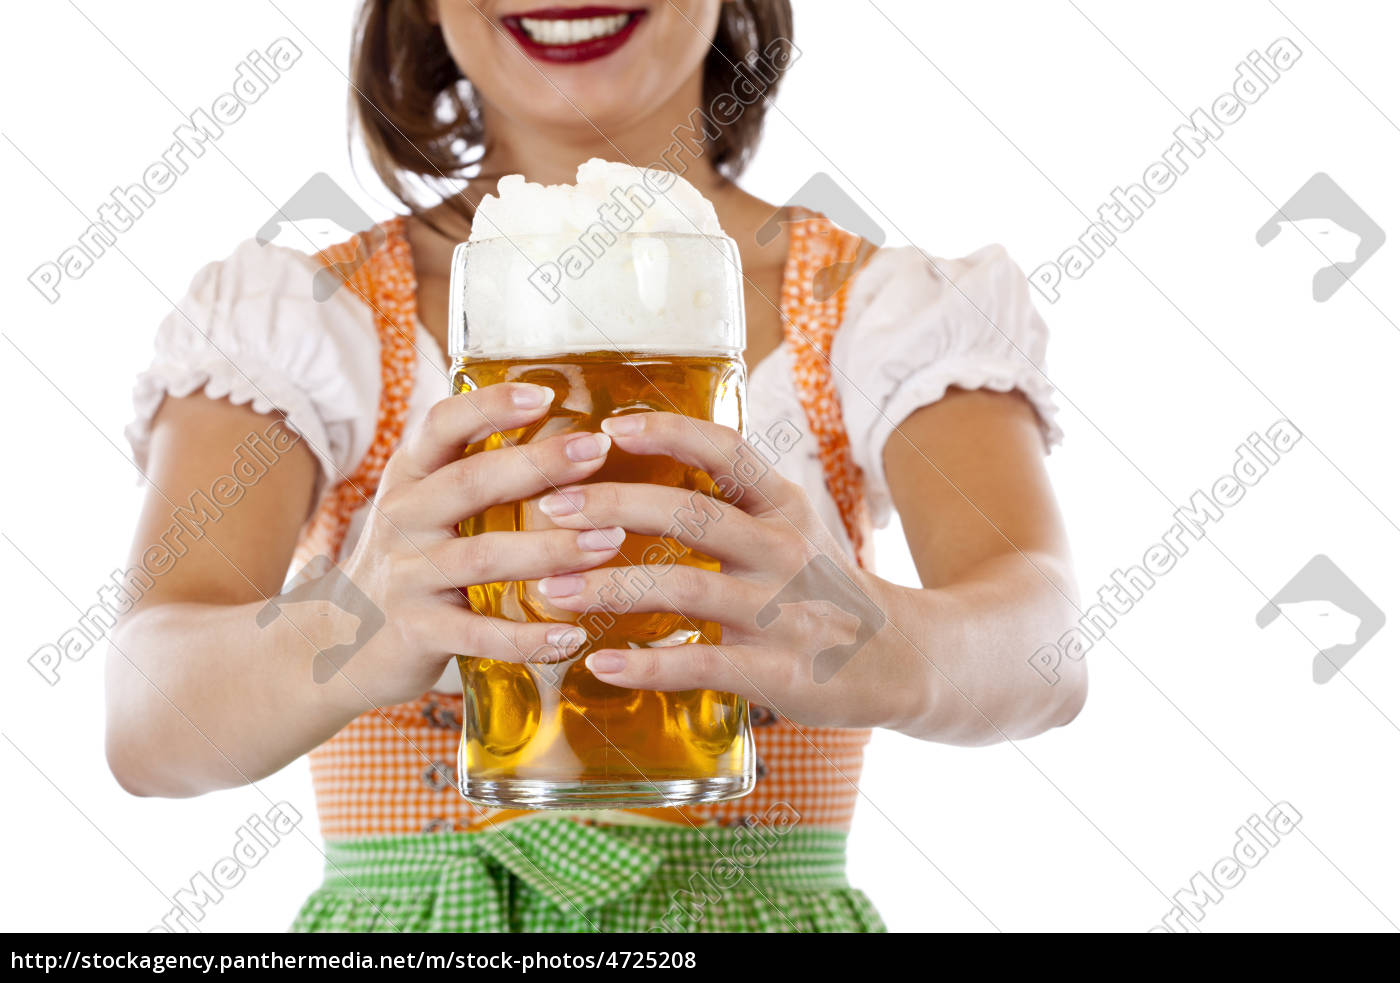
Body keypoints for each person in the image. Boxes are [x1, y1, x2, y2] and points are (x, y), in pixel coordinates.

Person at [110, 0, 1087, 933]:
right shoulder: (299, 316)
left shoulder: (876, 308)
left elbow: (1044, 637)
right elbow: (145, 717)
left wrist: (893, 646)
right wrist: (347, 623)